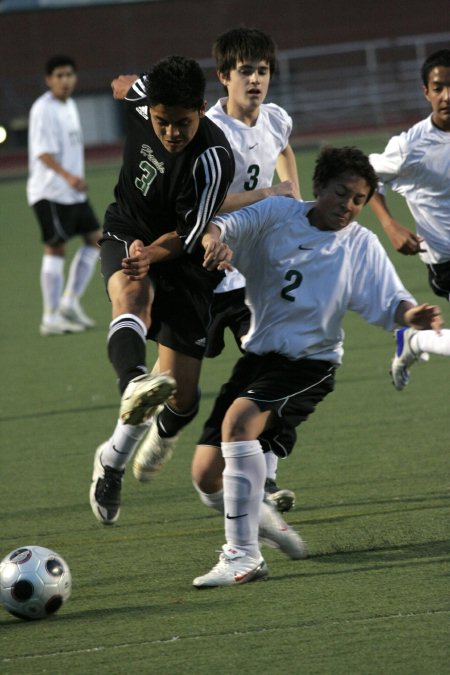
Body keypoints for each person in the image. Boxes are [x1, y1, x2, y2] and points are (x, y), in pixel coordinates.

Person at [191, 146, 442, 588]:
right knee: (206, 477)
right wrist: (214, 238)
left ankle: (243, 555)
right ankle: (265, 522)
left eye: (358, 199)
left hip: (310, 364)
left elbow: (390, 299)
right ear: (318, 187)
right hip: (260, 357)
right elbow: (226, 223)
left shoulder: (360, 244)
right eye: (340, 193)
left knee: (239, 423)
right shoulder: (276, 214)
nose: (348, 206)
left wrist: (410, 316)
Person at [133, 28, 300, 513]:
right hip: (202, 273)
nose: (255, 80)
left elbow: (283, 148)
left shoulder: (276, 119)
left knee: (278, 367)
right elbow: (199, 205)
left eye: (262, 71)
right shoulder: (209, 132)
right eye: (244, 71)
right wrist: (269, 194)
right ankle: (163, 433)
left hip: (255, 276)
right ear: (223, 77)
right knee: (179, 392)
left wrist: (290, 186)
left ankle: (262, 474)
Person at [89, 56, 235, 525]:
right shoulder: (143, 99)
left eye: (183, 123)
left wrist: (151, 252)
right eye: (161, 122)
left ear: (203, 109)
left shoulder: (214, 159)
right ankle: (116, 442)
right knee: (131, 297)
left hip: (180, 258)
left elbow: (189, 236)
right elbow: (120, 83)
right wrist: (127, 84)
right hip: (125, 228)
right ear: (149, 108)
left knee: (182, 398)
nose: (171, 132)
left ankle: (151, 432)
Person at [27, 54, 102, 336]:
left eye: (69, 74)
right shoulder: (42, 109)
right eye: (59, 75)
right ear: (49, 80)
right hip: (51, 191)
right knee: (56, 248)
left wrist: (75, 180)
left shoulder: (69, 105)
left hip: (73, 192)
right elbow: (42, 152)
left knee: (96, 240)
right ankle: (50, 316)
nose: (65, 80)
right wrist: (69, 176)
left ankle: (69, 302)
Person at [369, 49, 450, 301]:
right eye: (438, 88)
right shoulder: (411, 147)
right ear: (426, 92)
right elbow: (365, 175)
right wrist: (390, 225)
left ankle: (415, 342)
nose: (447, 96)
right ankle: (416, 342)